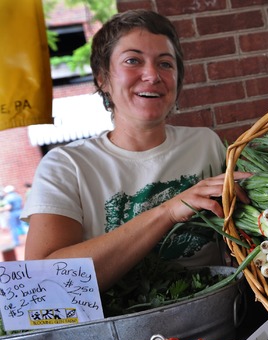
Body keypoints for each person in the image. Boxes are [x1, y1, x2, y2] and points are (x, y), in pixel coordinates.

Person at [21, 10, 250, 294]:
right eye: (133, 60)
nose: (152, 75)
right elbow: (42, 285)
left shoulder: (205, 145)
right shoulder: (66, 166)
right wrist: (167, 212)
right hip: (117, 334)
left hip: (218, 320)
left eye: (165, 64)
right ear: (103, 78)